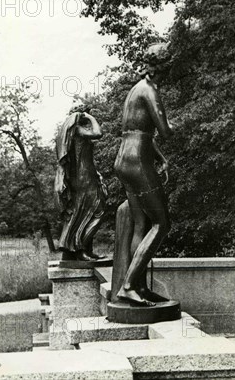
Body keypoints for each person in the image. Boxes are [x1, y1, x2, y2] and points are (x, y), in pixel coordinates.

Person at [113, 43, 173, 306]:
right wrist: (184, 122)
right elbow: (166, 130)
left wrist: (159, 158)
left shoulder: (135, 89)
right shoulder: (150, 91)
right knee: (162, 223)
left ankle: (137, 286)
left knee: (142, 224)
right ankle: (128, 285)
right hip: (137, 161)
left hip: (125, 159)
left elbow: (138, 130)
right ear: (163, 66)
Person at [55, 105, 107, 261]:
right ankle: (80, 249)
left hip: (86, 177)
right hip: (83, 179)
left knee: (84, 214)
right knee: (96, 211)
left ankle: (81, 250)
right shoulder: (77, 129)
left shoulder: (74, 133)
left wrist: (97, 174)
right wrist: (90, 118)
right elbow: (99, 133)